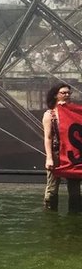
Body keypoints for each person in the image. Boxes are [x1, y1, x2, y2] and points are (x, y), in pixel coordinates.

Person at [42, 83, 82, 211]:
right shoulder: (49, 115)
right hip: (56, 153)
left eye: (68, 93)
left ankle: (74, 216)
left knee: (75, 190)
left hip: (72, 154)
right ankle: (50, 215)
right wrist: (49, 158)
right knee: (52, 189)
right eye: (63, 93)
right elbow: (48, 137)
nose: (67, 95)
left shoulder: (74, 113)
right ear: (55, 95)